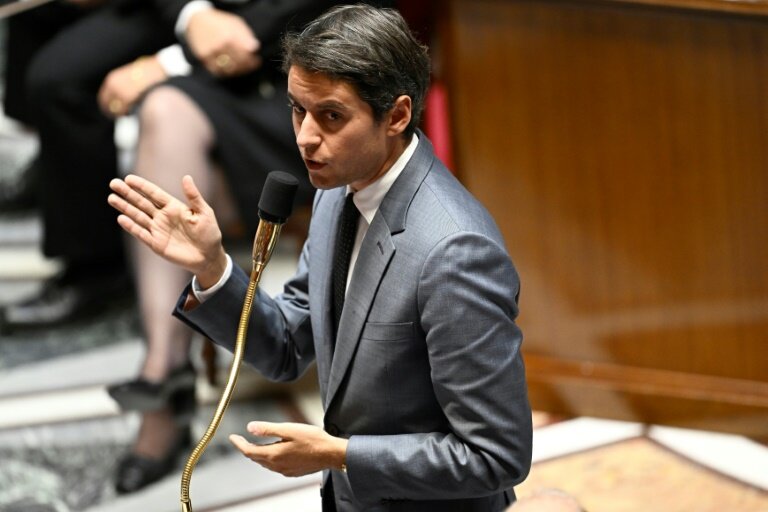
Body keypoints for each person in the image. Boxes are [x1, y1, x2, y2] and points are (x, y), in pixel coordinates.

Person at [108, 4, 532, 510]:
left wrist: (341, 455)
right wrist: (212, 267)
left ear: (396, 115)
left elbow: (495, 455)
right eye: (297, 109)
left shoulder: (456, 252)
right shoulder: (339, 193)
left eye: (331, 116)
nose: (306, 137)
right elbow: (287, 345)